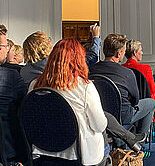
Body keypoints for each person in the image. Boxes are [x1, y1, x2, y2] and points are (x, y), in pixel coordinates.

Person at [29, 39, 108, 165]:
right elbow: (99, 125)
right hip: (76, 154)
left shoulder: (35, 85)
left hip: (42, 151)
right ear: (79, 60)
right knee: (105, 143)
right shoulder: (84, 87)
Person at [89, 34, 155, 134]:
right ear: (119, 54)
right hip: (122, 116)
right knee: (151, 103)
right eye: (124, 51)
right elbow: (135, 100)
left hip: (98, 114)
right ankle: (138, 139)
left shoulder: (91, 70)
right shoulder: (127, 73)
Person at [0, 25, 27, 163]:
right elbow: (27, 108)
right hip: (8, 151)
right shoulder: (11, 76)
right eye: (6, 47)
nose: (7, 51)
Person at [123, 39, 155, 123]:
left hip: (127, 103)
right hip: (143, 102)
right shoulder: (145, 68)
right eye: (141, 50)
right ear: (135, 53)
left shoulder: (122, 68)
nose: (142, 53)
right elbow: (152, 90)